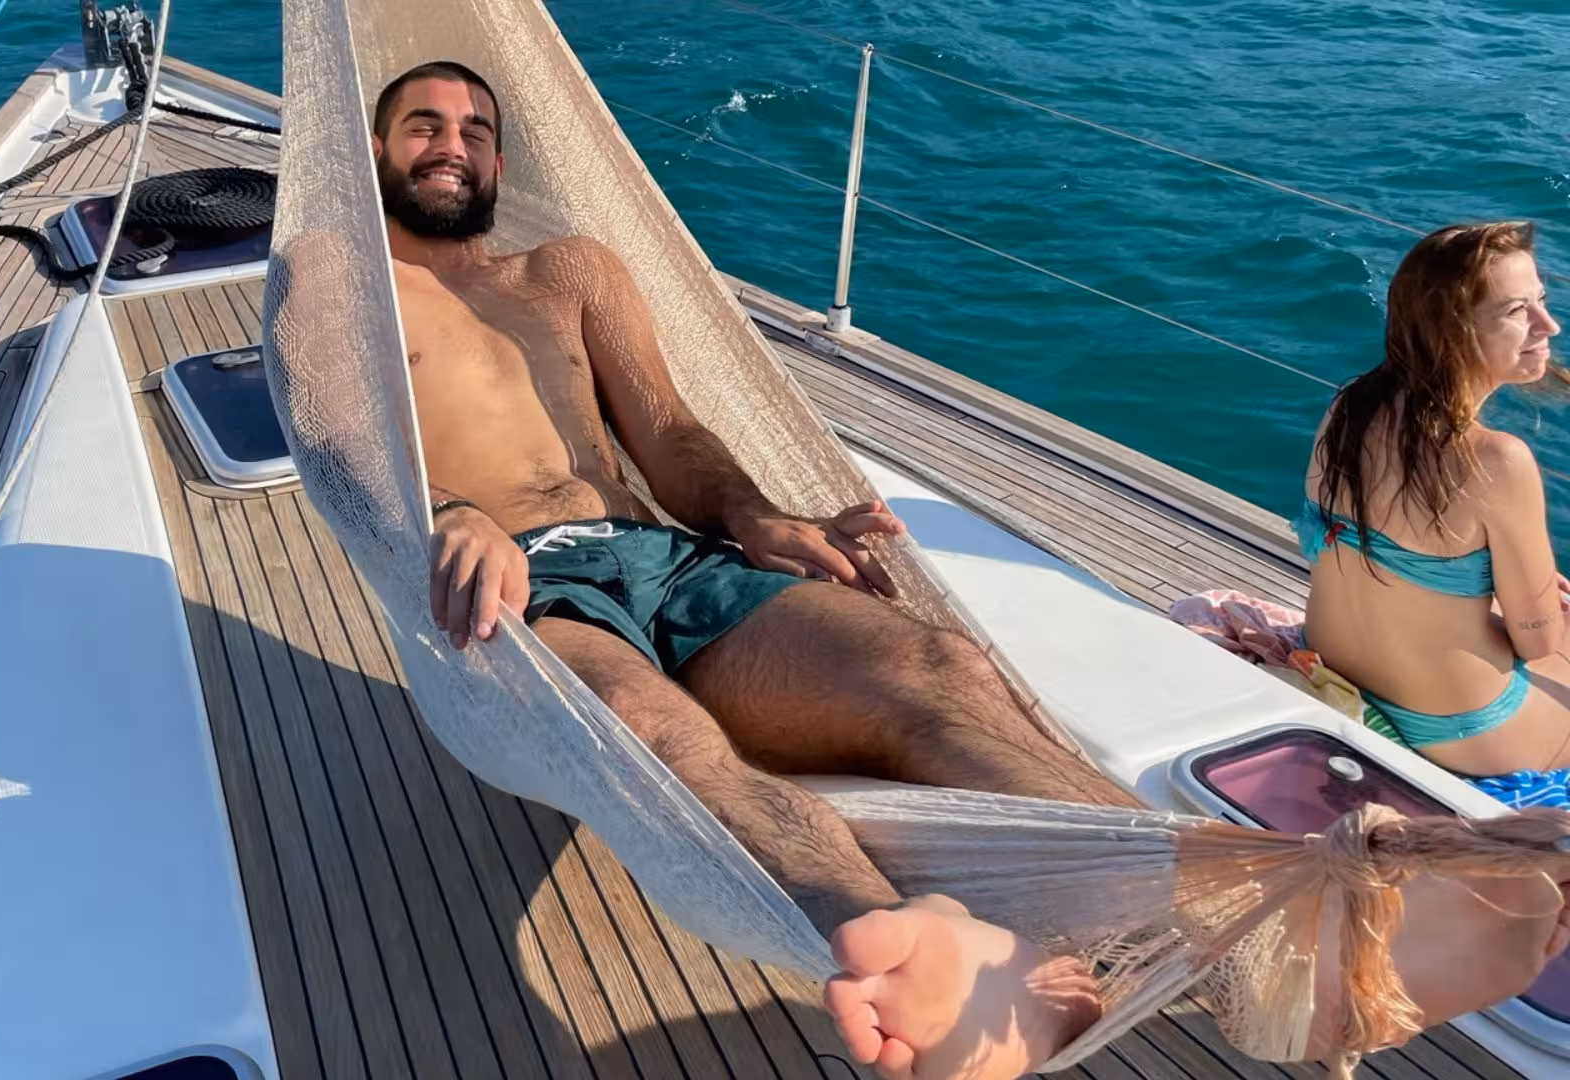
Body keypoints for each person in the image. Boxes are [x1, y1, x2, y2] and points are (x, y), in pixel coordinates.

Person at [369, 61, 1570, 1078]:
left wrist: (756, 515)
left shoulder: (571, 272)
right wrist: (452, 514)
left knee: (939, 668)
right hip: (521, 581)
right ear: (371, 148)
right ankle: (896, 943)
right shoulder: (354, 285)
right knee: (652, 732)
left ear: (502, 157)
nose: (452, 143)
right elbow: (343, 446)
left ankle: (1255, 938)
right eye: (423, 124)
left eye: (475, 127)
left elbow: (673, 435)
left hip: (670, 556)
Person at [1300, 223, 1570, 805]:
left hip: (1339, 664)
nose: (1548, 326)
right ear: (1453, 329)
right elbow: (1538, 642)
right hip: (1463, 730)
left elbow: (1404, 556)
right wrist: (1539, 602)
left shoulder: (1350, 406)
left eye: (1542, 302)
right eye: (1518, 311)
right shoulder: (1497, 460)